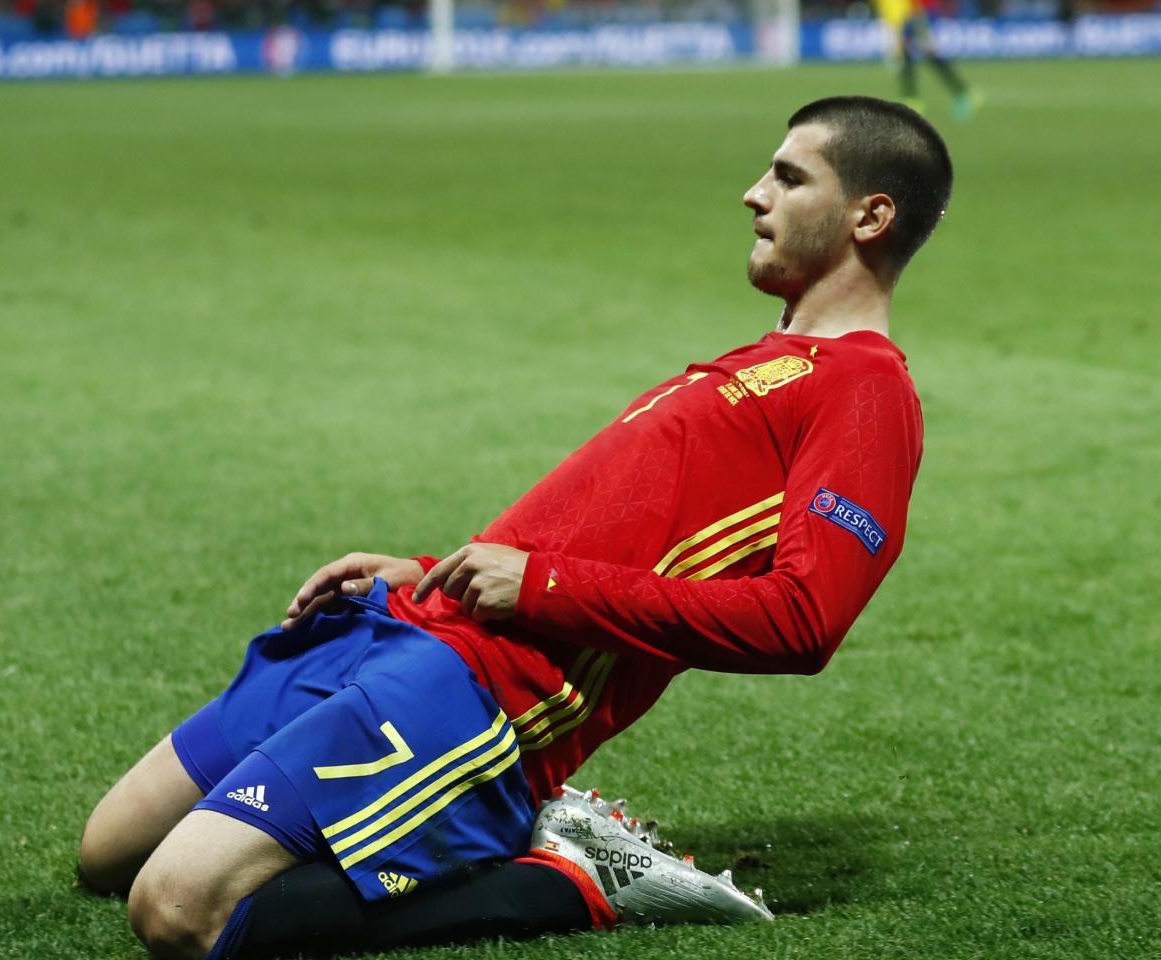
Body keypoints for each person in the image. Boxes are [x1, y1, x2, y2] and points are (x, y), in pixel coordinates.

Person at [78, 95, 952, 960]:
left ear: (870, 216)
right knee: (110, 853)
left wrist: (540, 587)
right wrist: (427, 569)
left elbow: (803, 619)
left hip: (484, 691)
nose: (754, 193)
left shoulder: (867, 392)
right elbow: (594, 526)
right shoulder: (766, 362)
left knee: (178, 911)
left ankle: (568, 879)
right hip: (408, 625)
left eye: (790, 179)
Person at [873, 0, 981, 119]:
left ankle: (961, 92)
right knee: (913, 55)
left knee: (924, 54)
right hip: (908, 17)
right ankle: (913, 98)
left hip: (915, 15)